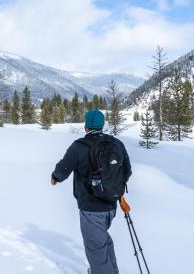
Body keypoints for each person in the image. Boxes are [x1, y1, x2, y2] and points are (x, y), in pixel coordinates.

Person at [51, 110, 131, 274]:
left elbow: (63, 168)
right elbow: (127, 171)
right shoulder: (116, 144)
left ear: (86, 126)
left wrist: (55, 177)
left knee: (96, 249)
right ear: (102, 125)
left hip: (91, 208)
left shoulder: (79, 146)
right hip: (111, 206)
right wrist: (112, 188)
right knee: (102, 241)